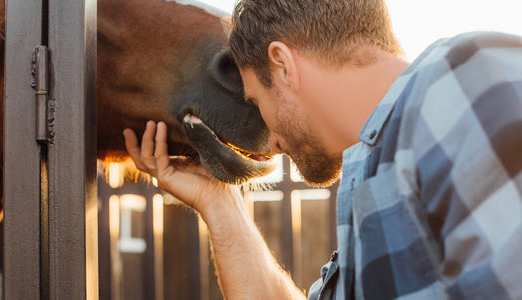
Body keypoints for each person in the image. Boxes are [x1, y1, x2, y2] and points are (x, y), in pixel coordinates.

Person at [123, 0, 522, 299]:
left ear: (282, 65)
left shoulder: (464, 80)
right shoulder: (373, 170)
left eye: (259, 102)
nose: (273, 140)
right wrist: (218, 202)